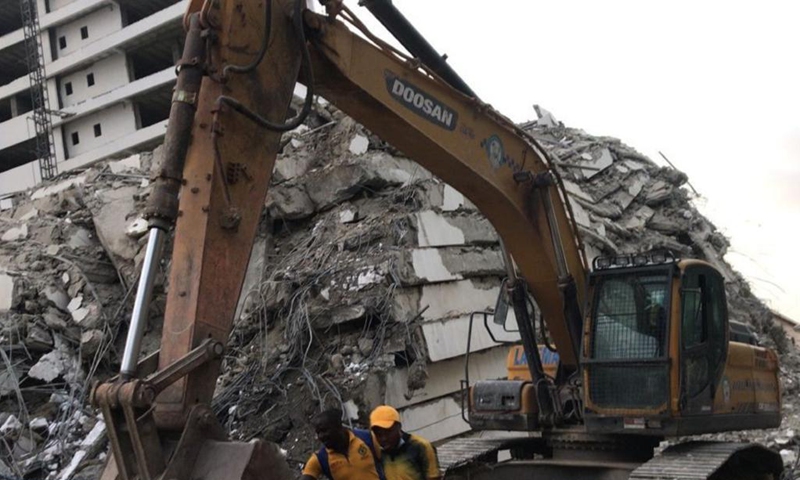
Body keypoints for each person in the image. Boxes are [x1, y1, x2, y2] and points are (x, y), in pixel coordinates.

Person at [301, 408, 384, 480]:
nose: (321, 436)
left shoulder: (367, 438)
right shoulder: (321, 458)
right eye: (318, 432)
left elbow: (388, 463)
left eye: (324, 430)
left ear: (338, 426)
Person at [370, 405, 441, 480]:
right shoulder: (377, 449)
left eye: (388, 432)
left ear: (399, 427)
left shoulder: (420, 446)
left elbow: (433, 476)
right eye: (379, 434)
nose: (383, 438)